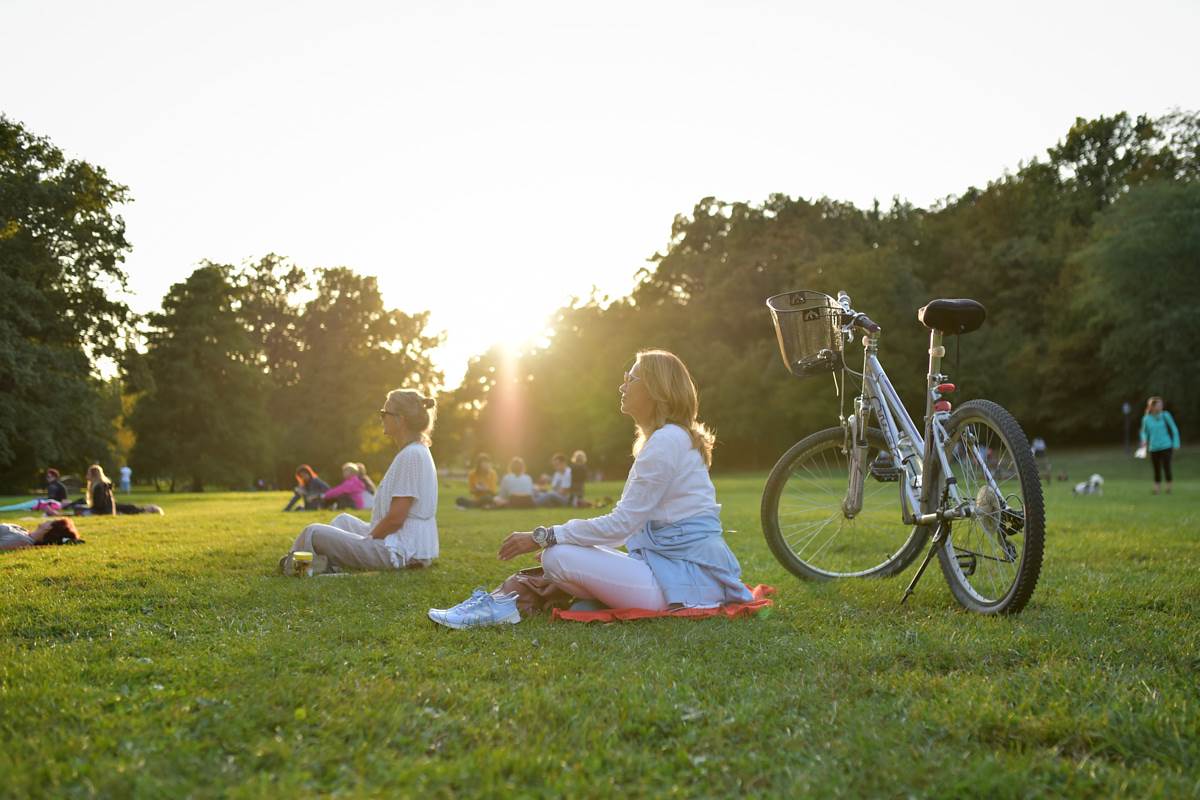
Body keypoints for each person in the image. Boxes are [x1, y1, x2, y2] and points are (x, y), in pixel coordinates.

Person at [429, 349, 753, 629]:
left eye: (631, 378)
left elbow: (620, 527)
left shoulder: (667, 441)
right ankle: (513, 599)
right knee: (556, 556)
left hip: (685, 581)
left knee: (556, 557)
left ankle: (507, 603)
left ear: (657, 390)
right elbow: (624, 530)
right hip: (670, 569)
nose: (622, 385)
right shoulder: (669, 438)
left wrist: (541, 535)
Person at [281, 389, 439, 573]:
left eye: (384, 413)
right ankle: (324, 565)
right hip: (403, 543)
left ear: (400, 419)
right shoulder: (414, 451)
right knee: (343, 521)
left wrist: (367, 542)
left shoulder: (412, 455)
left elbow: (396, 518)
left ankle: (295, 567)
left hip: (402, 552)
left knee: (313, 532)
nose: (381, 417)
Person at [1140, 396, 1181, 495]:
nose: (1161, 406)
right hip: (1153, 447)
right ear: (1152, 407)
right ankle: (1157, 490)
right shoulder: (1146, 419)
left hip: (1166, 446)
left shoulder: (1165, 415)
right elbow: (1143, 432)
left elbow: (1174, 429)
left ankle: (1168, 489)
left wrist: (1176, 443)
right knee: (1156, 469)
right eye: (1159, 405)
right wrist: (1144, 440)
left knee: (1166, 467)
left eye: (1161, 404)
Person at [0, 518, 84, 551]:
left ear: (49, 528)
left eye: (50, 521)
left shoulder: (21, 540)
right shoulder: (24, 531)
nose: (46, 521)